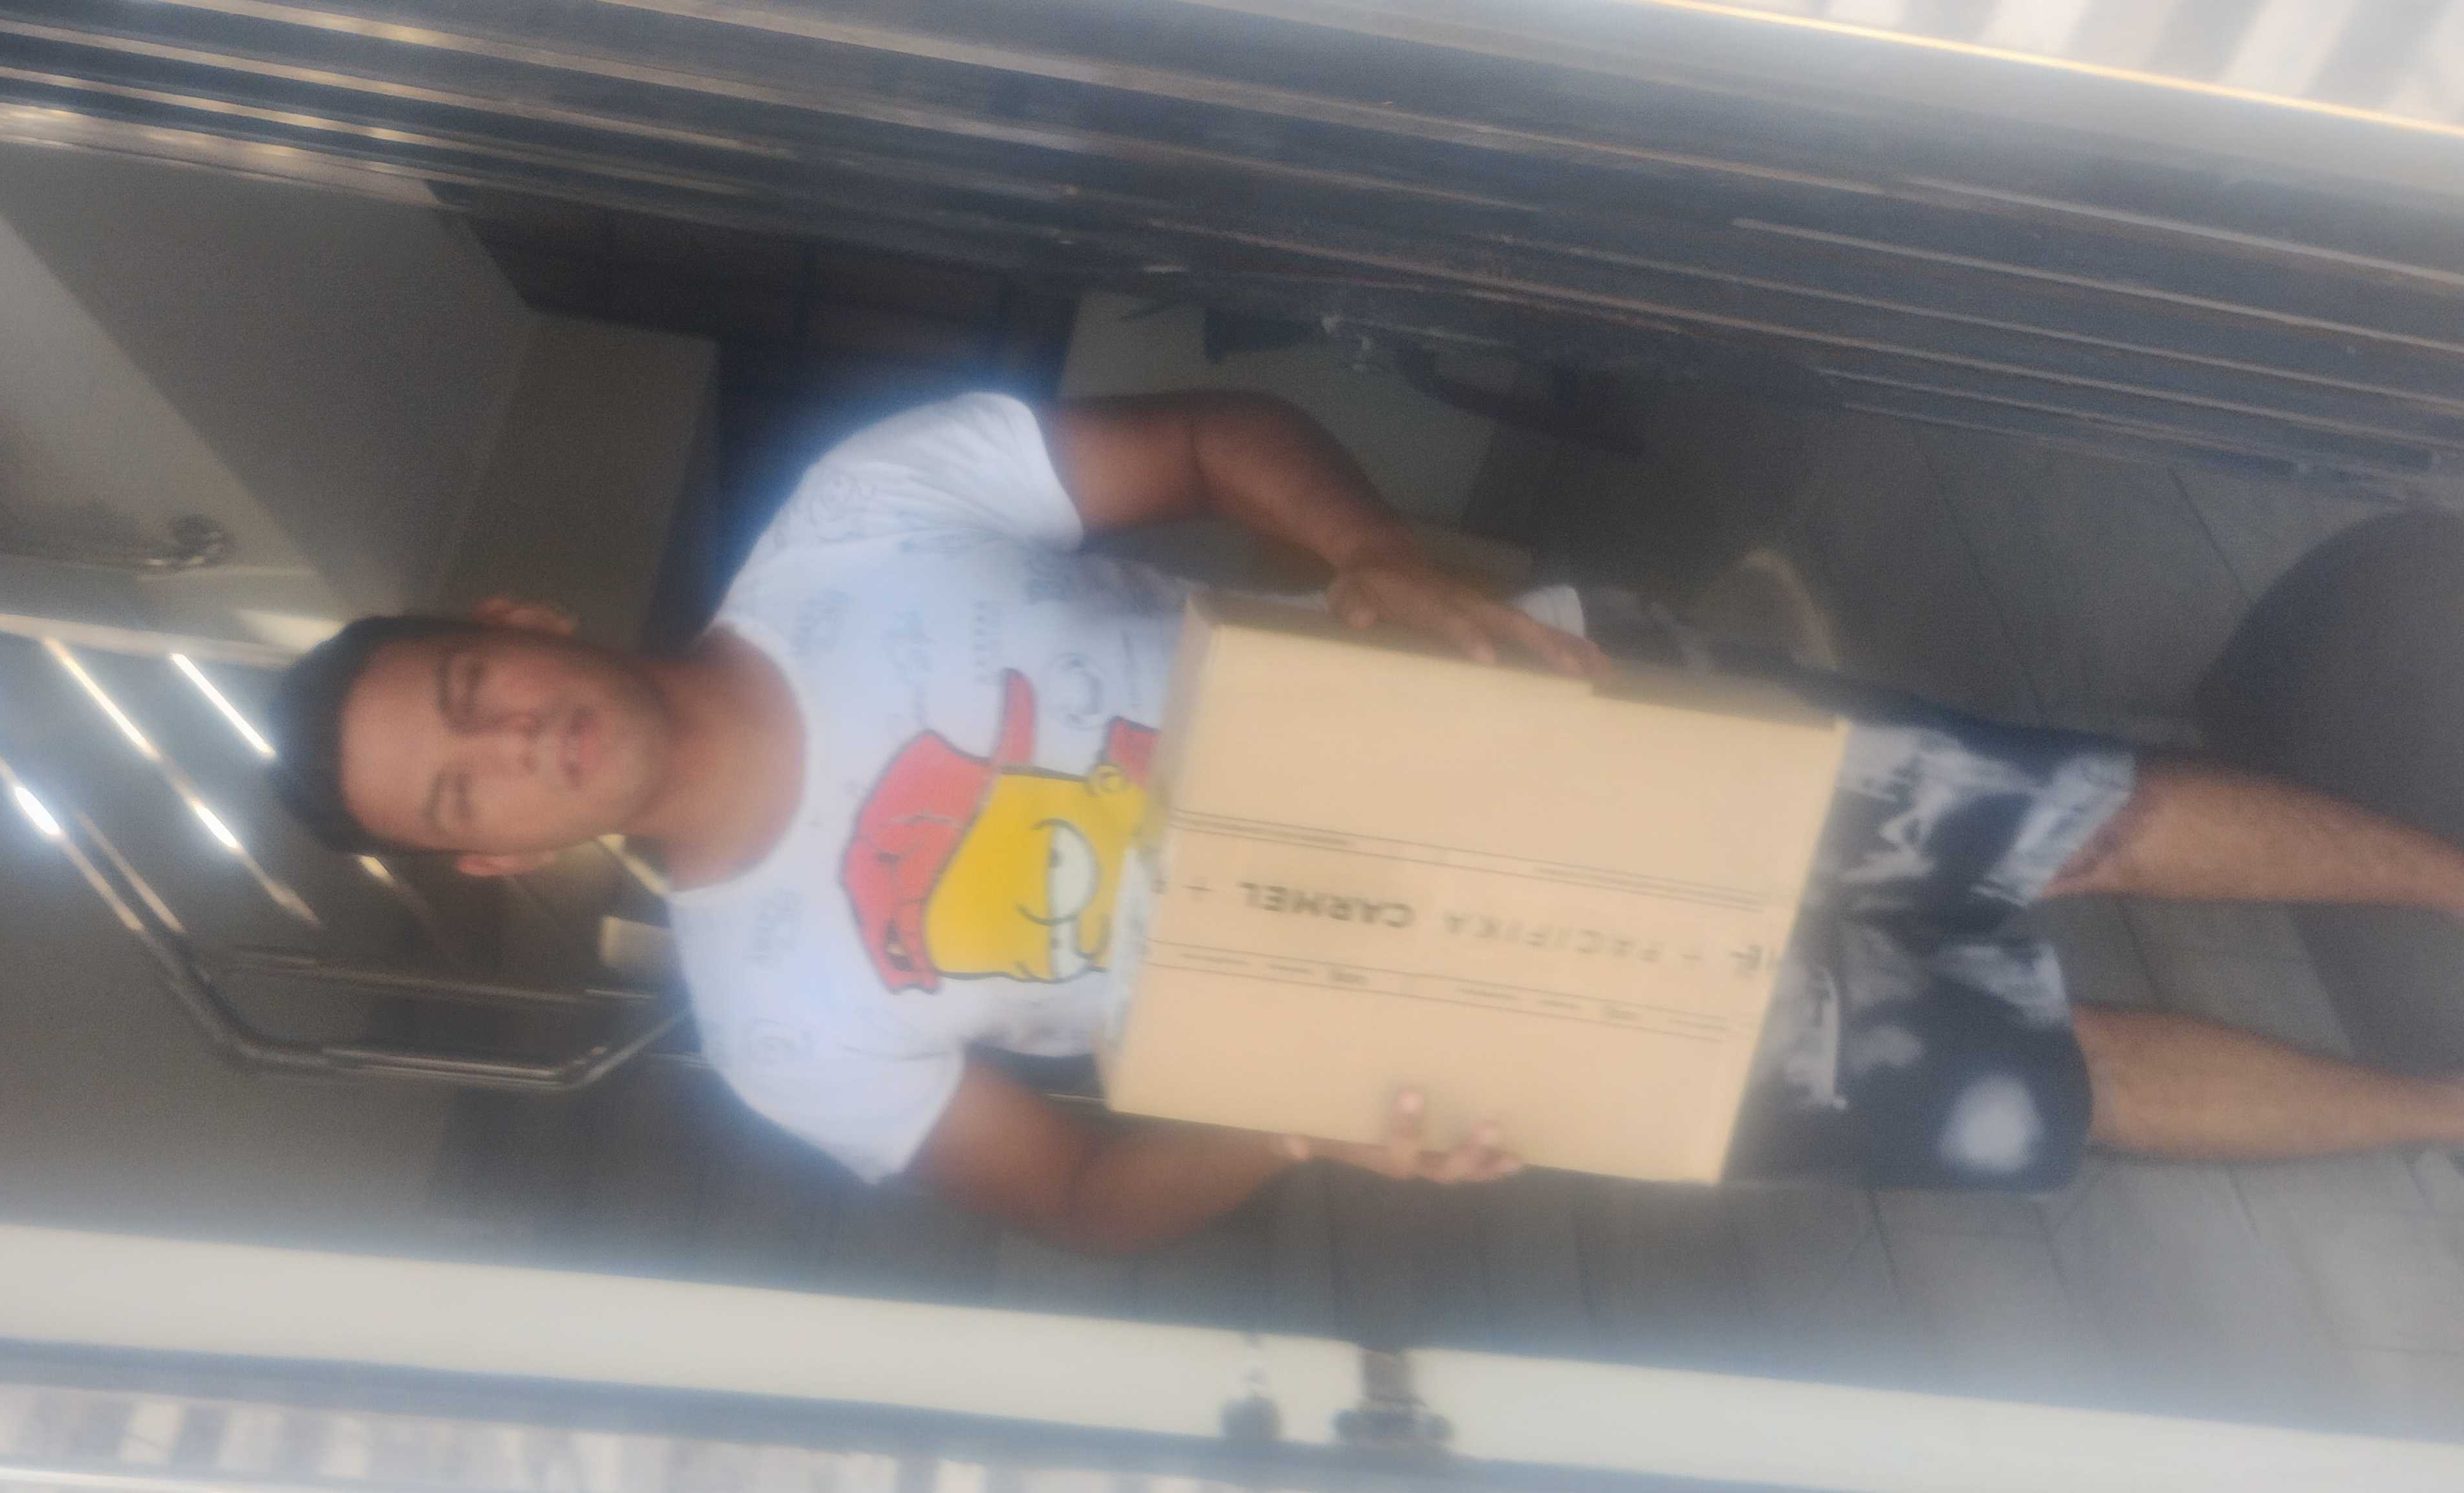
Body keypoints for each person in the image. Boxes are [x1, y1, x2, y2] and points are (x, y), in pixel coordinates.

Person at [267, 390, 2464, 1254]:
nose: (515, 745)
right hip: (1486, 1014)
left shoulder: (852, 519)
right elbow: (1080, 1197)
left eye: (473, 694)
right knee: (2043, 1084)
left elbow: (1205, 442)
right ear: (491, 857)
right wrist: (1301, 1114)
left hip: (1559, 740)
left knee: (2073, 825)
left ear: (515, 623)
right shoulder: (773, 1027)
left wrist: (1375, 560)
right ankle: (2446, 1113)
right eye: (463, 790)